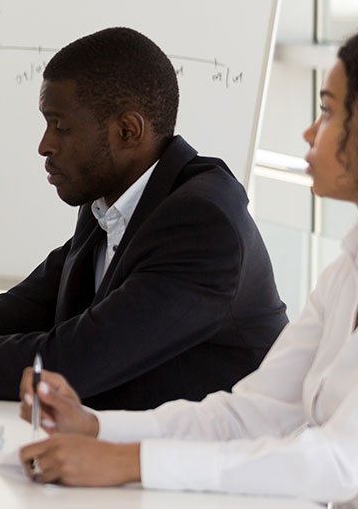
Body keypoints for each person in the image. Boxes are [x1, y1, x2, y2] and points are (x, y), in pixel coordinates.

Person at [0, 27, 288, 408]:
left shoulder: (202, 223)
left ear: (127, 130)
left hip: (222, 477)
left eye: (60, 125)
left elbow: (73, 362)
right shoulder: (112, 203)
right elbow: (15, 312)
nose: (44, 145)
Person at [18, 33, 358, 506]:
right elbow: (248, 415)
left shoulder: (203, 214)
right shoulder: (345, 272)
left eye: (327, 111)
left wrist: (128, 463)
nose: (308, 132)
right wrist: (97, 428)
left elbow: (341, 463)